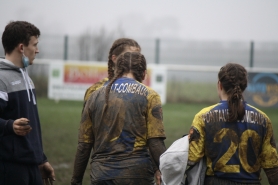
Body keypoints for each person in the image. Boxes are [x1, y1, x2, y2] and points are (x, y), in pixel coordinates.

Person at [71, 52, 166, 185]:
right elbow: (155, 143)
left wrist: (76, 181)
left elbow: (84, 145)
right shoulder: (150, 96)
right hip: (137, 175)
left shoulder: (94, 96)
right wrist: (168, 173)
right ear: (144, 74)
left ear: (116, 71)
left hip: (101, 175)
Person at [188, 63, 278, 185]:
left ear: (219, 85)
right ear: (244, 86)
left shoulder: (203, 116)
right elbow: (272, 165)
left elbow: (192, 158)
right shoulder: (263, 119)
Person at [0, 21, 55, 185]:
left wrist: (41, 158)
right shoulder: (1, 79)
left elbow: (33, 126)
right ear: (21, 48)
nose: (37, 50)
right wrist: (9, 126)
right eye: (35, 45)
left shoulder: (26, 77)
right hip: (10, 169)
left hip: (32, 166)